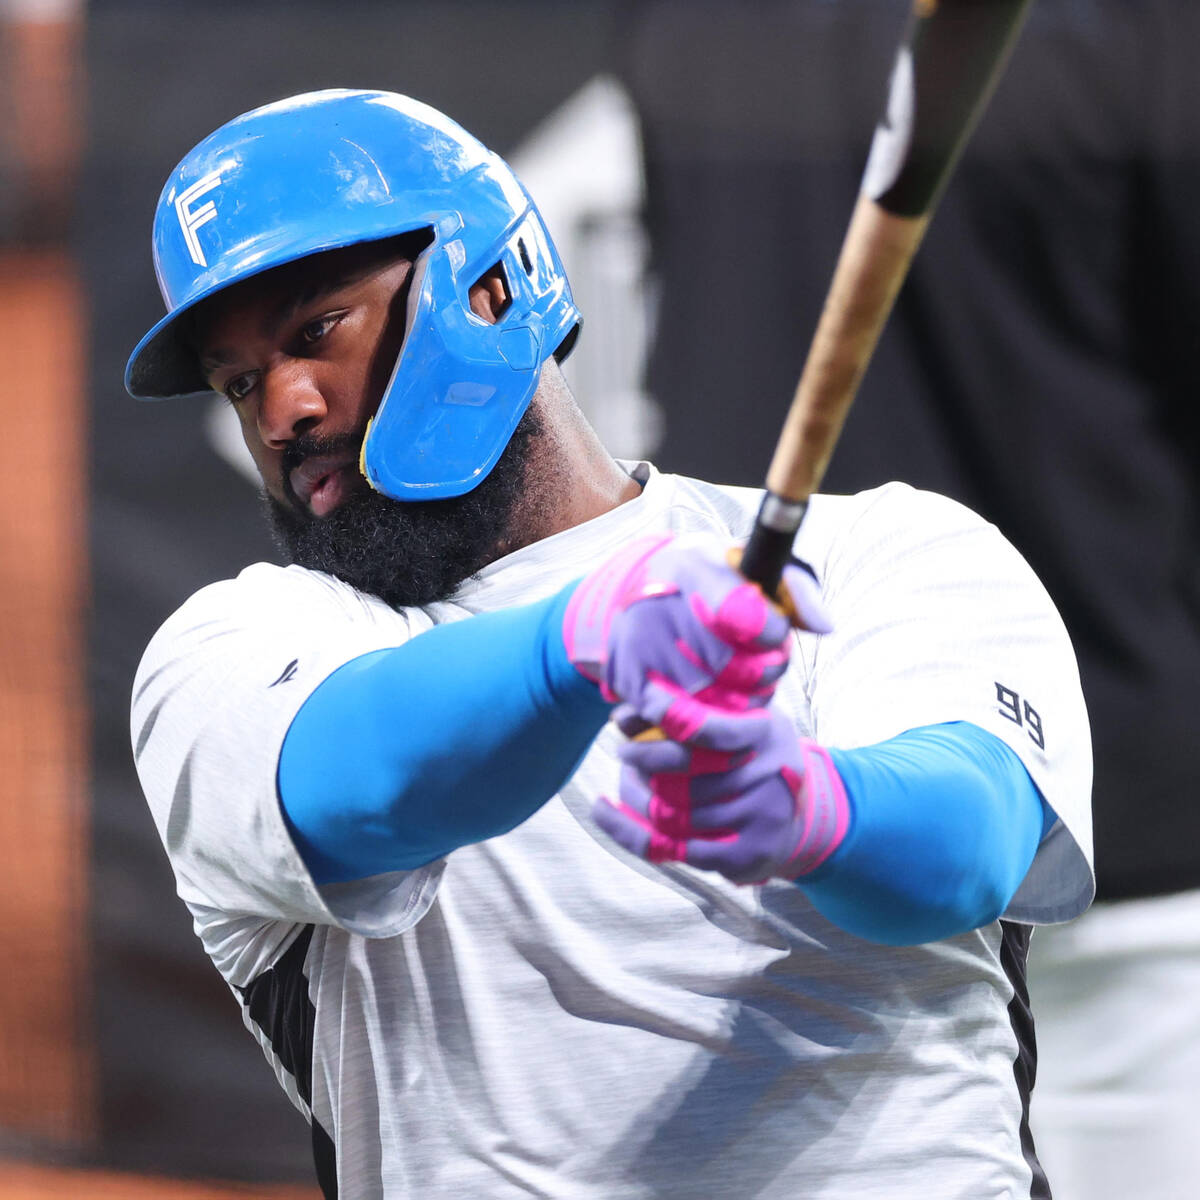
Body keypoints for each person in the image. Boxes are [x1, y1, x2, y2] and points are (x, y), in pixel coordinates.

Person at [126, 89, 1092, 1200]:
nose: (282, 409)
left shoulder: (883, 548)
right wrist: (578, 644)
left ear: (491, 286)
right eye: (240, 381)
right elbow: (363, 789)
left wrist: (812, 810)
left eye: (315, 333)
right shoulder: (240, 646)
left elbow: (969, 846)